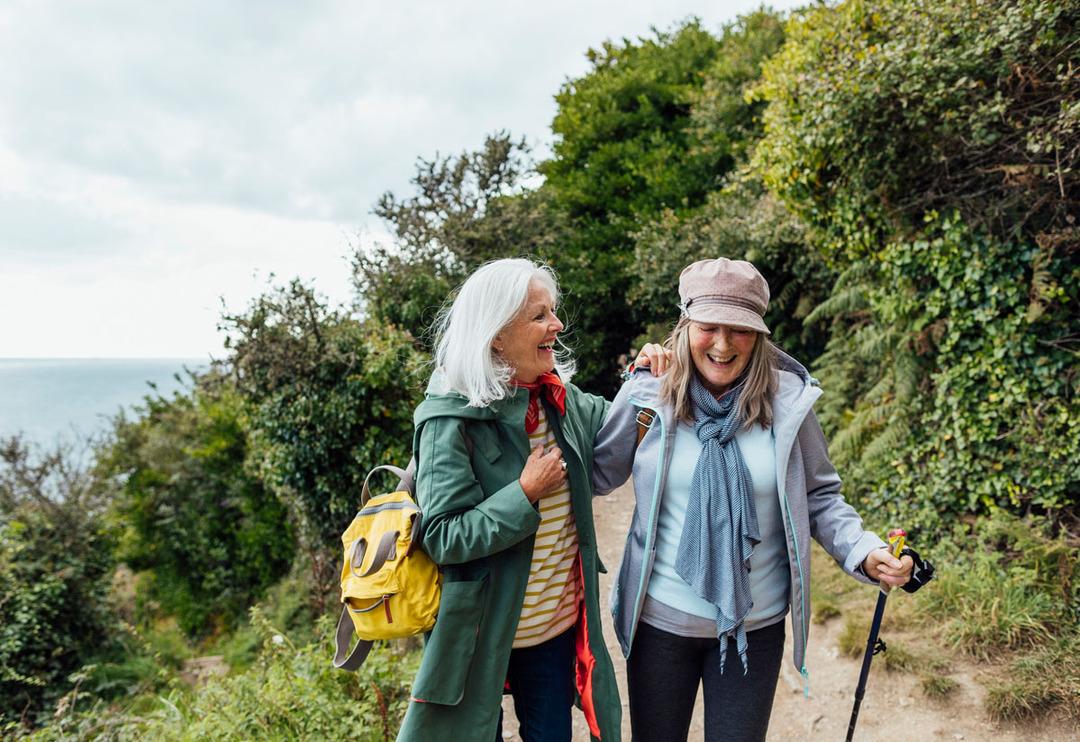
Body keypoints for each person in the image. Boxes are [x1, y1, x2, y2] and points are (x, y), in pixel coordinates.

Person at [592, 258, 913, 742]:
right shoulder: (649, 394)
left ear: (759, 335)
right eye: (709, 327)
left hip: (755, 627)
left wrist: (865, 551)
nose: (723, 345)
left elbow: (821, 497)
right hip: (660, 626)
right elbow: (596, 474)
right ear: (685, 325)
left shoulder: (789, 403)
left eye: (739, 329)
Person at [396, 258, 624, 742]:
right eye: (539, 315)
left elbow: (623, 421)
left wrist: (647, 374)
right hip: (479, 637)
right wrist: (524, 494)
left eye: (553, 311)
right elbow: (443, 537)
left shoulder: (557, 400)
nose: (556, 325)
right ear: (496, 335)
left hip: (552, 633)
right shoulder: (449, 420)